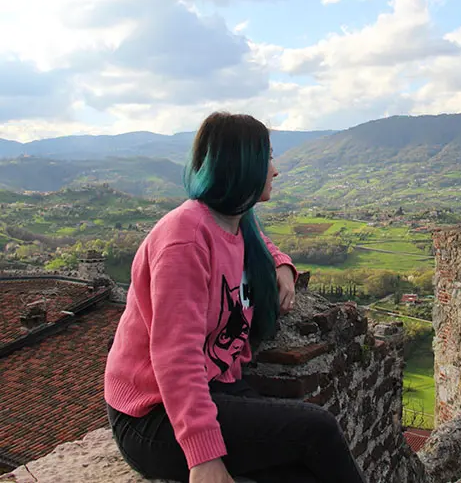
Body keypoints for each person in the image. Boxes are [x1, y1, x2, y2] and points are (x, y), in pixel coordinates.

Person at [104, 112, 366, 483]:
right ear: (242, 164)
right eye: (268, 159)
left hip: (218, 385)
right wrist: (204, 458)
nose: (275, 171)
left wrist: (282, 264)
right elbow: (175, 355)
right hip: (152, 414)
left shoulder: (233, 220)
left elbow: (255, 243)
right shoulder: (185, 237)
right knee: (317, 429)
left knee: (304, 473)